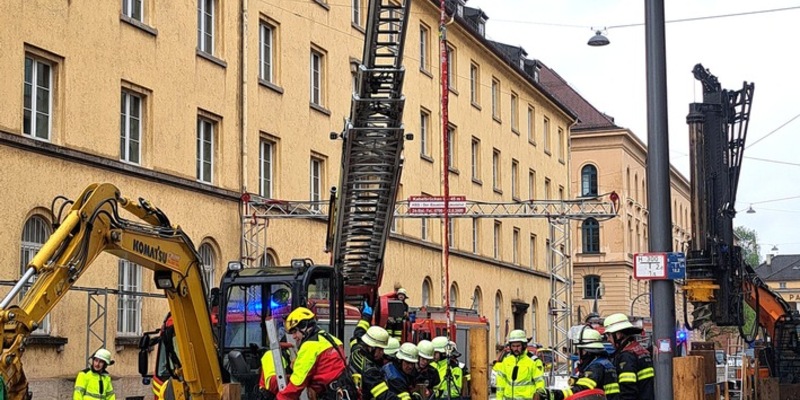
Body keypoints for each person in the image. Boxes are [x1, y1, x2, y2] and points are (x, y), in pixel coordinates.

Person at [277, 307, 355, 400]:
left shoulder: (309, 346)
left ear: (304, 327)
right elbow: (323, 367)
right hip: (345, 390)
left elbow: (296, 384)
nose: (293, 337)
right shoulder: (332, 339)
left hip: (330, 395)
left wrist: (280, 398)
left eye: (295, 332)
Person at [540, 327, 619, 400]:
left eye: (579, 349)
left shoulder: (596, 366)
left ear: (587, 351)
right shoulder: (603, 362)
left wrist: (554, 395)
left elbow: (581, 389)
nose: (577, 352)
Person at [603, 313, 654, 400]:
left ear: (618, 334)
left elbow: (628, 391)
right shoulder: (640, 351)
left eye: (608, 335)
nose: (608, 339)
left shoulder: (627, 356)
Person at [348, 321, 396, 400]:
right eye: (380, 349)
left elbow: (358, 332)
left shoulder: (356, 350)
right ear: (370, 347)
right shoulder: (370, 370)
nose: (382, 352)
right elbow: (384, 396)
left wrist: (366, 316)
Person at [492, 330, 539, 400]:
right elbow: (500, 384)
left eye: (518, 346)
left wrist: (539, 394)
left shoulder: (533, 361)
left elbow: (540, 382)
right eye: (513, 346)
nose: (515, 349)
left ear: (524, 346)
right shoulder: (506, 361)